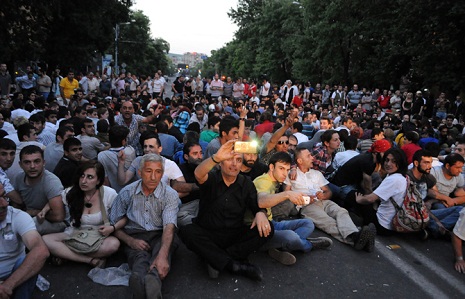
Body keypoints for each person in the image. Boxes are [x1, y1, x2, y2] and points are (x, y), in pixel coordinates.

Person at [179, 140, 273, 281]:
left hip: (234, 235)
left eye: (238, 160)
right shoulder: (212, 178)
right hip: (208, 232)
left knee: (268, 228)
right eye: (229, 159)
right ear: (221, 162)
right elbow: (198, 174)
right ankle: (234, 265)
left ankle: (215, 258)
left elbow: (256, 206)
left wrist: (261, 213)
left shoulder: (246, 183)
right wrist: (216, 157)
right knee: (187, 232)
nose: (234, 164)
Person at [109, 154, 180, 299]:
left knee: (162, 251)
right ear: (140, 173)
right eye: (148, 171)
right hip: (134, 234)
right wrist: (130, 241)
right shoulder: (127, 193)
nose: (153, 177)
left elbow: (168, 226)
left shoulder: (170, 195)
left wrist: (162, 255)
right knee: (139, 257)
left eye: (158, 172)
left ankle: (152, 279)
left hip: (160, 233)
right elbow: (113, 224)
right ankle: (140, 279)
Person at [285, 147, 375, 251]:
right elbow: (286, 193)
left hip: (324, 201)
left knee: (341, 212)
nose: (312, 158)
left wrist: (324, 195)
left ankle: (357, 236)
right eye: (308, 156)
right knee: (328, 222)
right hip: (307, 206)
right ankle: (355, 238)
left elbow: (328, 192)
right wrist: (302, 197)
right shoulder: (291, 175)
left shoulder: (316, 174)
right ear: (299, 161)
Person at [254, 152, 332, 265]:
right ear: (271, 167)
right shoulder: (263, 182)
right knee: (291, 236)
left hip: (271, 223)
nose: (285, 173)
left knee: (308, 224)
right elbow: (261, 201)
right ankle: (307, 245)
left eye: (287, 170)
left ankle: (282, 247)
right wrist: (287, 194)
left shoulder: (273, 182)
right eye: (281, 168)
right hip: (260, 230)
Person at [43, 161, 122, 267]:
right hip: (75, 233)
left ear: (98, 181)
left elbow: (123, 217)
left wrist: (112, 228)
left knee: (113, 244)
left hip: (98, 236)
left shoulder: (109, 194)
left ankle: (67, 255)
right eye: (82, 176)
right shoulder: (72, 192)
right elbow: (56, 199)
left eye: (90, 177)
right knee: (46, 240)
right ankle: (89, 260)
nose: (84, 181)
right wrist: (44, 209)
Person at [0, 187, 50, 299]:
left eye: (4, 196)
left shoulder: (18, 217)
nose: (4, 204)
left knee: (30, 260)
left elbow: (41, 251)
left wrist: (7, 286)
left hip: (14, 276)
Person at [408, 150, 462, 238]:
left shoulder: (429, 177)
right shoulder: (407, 177)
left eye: (430, 163)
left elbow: (436, 194)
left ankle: (433, 228)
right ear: (416, 163)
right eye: (426, 163)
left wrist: (431, 202)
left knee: (460, 210)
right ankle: (437, 229)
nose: (429, 166)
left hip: (425, 212)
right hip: (410, 212)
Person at [13, 145, 66, 235]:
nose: (32, 166)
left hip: (56, 223)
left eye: (37, 161)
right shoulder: (19, 178)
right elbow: (15, 205)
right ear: (20, 165)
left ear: (44, 162)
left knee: (30, 224)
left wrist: (34, 212)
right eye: (27, 162)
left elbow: (58, 216)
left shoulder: (51, 181)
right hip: (29, 216)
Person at [355, 148, 408, 235]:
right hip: (394, 223)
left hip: (382, 225)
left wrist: (359, 199)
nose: (388, 164)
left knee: (353, 196)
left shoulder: (394, 179)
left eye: (393, 161)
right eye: (387, 160)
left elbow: (370, 199)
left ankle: (364, 229)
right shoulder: (403, 177)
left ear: (400, 163)